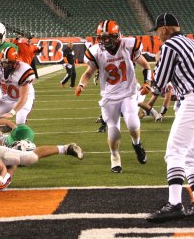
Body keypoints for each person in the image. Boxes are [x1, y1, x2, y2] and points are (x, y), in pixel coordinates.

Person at [75, 19, 149, 173]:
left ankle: (137, 143)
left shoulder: (127, 45)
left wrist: (147, 82)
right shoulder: (96, 51)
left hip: (128, 92)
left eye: (109, 37)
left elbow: (146, 65)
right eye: (102, 37)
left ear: (117, 35)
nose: (105, 40)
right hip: (109, 96)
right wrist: (81, 84)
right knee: (114, 130)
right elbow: (89, 72)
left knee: (133, 124)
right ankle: (114, 156)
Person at [145, 14, 194, 222]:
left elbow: (161, 81)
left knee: (174, 151)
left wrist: (148, 89)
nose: (157, 35)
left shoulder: (170, 46)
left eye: (157, 31)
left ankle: (175, 204)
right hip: (190, 98)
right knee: (191, 155)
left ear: (164, 28)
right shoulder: (189, 42)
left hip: (191, 100)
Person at [0, 47, 35, 137]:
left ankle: (21, 142)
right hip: (5, 98)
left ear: (15, 61)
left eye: (9, 63)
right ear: (0, 61)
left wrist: (11, 113)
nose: (6, 65)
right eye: (4, 62)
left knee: (20, 120)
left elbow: (23, 98)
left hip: (23, 99)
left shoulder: (24, 70)